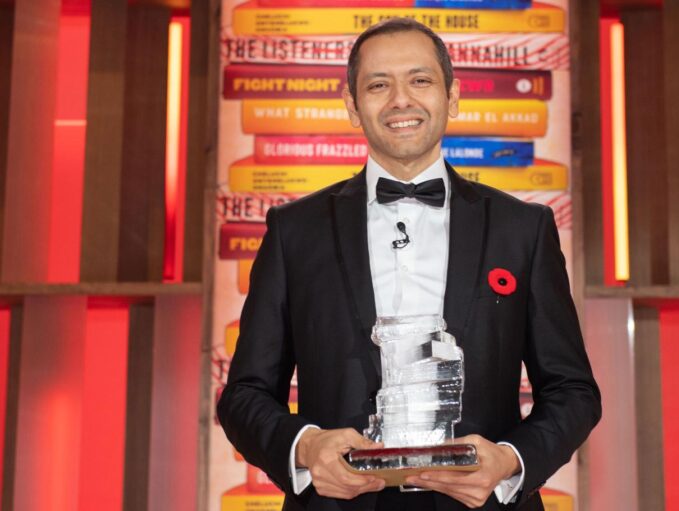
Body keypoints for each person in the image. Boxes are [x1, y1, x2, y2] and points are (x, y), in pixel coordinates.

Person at [217, 18, 601, 511]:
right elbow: (244, 394)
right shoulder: (294, 231)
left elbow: (572, 390)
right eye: (379, 85)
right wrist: (306, 448)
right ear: (352, 105)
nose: (401, 100)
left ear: (452, 96)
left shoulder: (522, 229)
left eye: (420, 80)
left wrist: (509, 461)